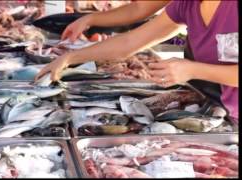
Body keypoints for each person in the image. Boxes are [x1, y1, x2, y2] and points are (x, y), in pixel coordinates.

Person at [36, 0, 238, 123]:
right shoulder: (186, 4)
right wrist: (68, 58)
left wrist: (194, 70)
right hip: (229, 111)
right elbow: (129, 42)